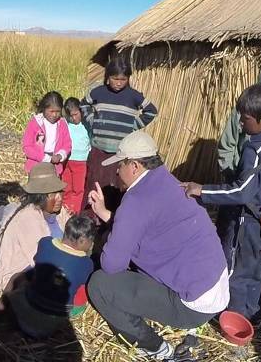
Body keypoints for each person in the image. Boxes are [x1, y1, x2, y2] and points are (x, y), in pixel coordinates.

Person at [87, 131, 228, 360]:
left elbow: (112, 264)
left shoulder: (135, 201)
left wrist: (107, 240)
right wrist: (105, 213)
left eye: (120, 165)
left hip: (193, 305)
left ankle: (155, 347)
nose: (116, 170)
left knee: (100, 284)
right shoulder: (165, 180)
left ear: (134, 165)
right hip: (214, 283)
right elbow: (146, 223)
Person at [185, 84, 261, 320]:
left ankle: (234, 319)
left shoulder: (255, 148)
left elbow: (242, 191)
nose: (240, 123)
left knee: (236, 273)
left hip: (248, 223)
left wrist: (201, 190)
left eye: (245, 118)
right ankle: (250, 314)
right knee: (254, 270)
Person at [0, 214, 96, 338]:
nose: (91, 245)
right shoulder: (87, 264)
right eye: (91, 242)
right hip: (53, 325)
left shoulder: (45, 242)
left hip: (25, 313)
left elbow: (38, 262)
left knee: (17, 276)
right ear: (83, 241)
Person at [81, 57, 157, 211]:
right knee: (95, 185)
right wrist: (92, 121)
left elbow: (151, 111)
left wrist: (133, 127)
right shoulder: (99, 92)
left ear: (128, 79)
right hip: (99, 152)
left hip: (120, 154)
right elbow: (83, 104)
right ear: (107, 77)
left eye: (123, 79)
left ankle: (113, 220)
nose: (118, 83)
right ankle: (91, 221)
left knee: (117, 187)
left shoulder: (133, 96)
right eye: (114, 78)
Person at [0, 162, 73, 292]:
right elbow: (41, 260)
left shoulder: (59, 213)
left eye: (59, 192)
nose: (59, 198)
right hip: (25, 273)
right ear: (40, 197)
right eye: (52, 194)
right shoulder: (27, 219)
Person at [22, 91, 72, 176]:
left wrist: (60, 155)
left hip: (54, 167)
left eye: (58, 111)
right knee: (37, 188)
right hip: (36, 166)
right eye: (51, 111)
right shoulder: (35, 122)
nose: (55, 114)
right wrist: (45, 158)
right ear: (44, 108)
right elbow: (27, 147)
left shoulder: (62, 124)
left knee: (53, 188)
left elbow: (67, 144)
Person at [61, 97, 91, 214]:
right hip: (67, 160)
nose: (74, 118)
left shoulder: (87, 125)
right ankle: (66, 210)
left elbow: (91, 142)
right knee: (66, 187)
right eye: (71, 116)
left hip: (81, 161)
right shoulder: (66, 124)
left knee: (78, 189)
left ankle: (76, 211)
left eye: (76, 114)